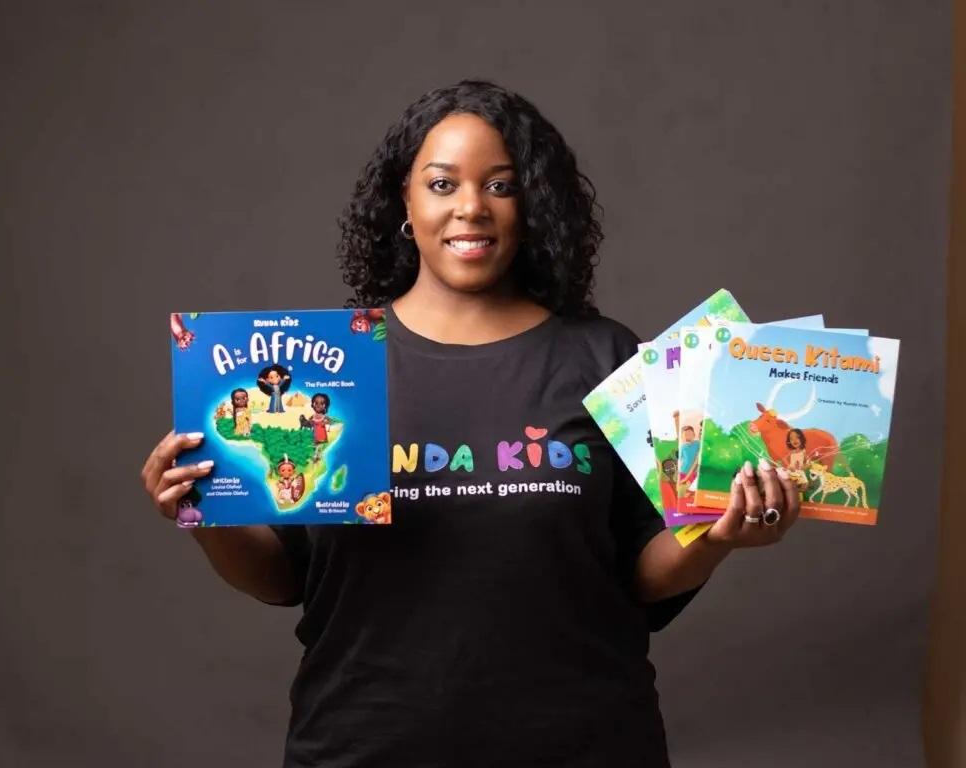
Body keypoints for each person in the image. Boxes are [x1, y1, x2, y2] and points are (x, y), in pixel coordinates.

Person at [140, 80, 801, 767]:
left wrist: (719, 536)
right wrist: (205, 511)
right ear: (405, 201)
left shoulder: (605, 356)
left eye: (501, 186)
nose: (470, 208)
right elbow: (283, 579)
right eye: (442, 183)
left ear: (532, 206)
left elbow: (642, 573)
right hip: (363, 747)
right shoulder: (333, 370)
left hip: (585, 744)